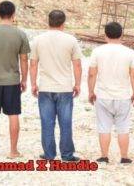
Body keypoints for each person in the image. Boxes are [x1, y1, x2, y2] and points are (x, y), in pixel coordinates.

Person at [30, 10, 82, 162]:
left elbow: (33, 64)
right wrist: (77, 84)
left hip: (45, 87)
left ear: (48, 21)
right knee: (65, 123)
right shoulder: (71, 40)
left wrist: (33, 83)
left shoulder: (38, 40)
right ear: (63, 23)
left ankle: (49, 154)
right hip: (65, 87)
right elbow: (77, 65)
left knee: (47, 123)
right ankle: (67, 154)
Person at [0, 1, 31, 158]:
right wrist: (24, 79)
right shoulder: (20, 34)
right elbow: (23, 59)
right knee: (14, 115)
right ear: (14, 15)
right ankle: (13, 151)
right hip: (12, 81)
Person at [88, 22, 134, 164]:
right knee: (123, 127)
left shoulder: (97, 51)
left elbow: (92, 74)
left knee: (104, 127)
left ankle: (104, 156)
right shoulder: (129, 52)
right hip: (123, 96)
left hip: (103, 95)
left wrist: (91, 91)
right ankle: (124, 157)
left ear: (105, 35)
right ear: (122, 34)